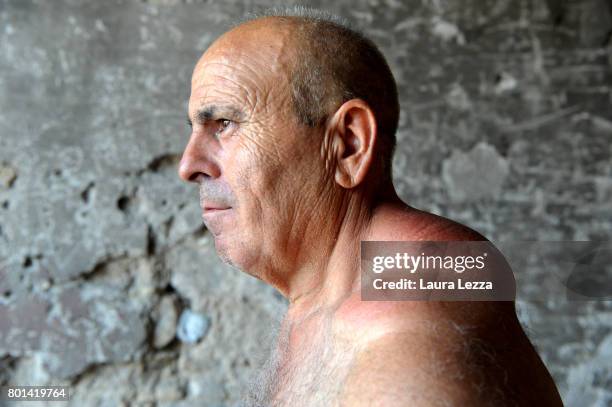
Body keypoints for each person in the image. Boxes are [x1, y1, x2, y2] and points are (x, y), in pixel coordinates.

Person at [178, 7, 563, 406]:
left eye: (223, 123)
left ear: (348, 144)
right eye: (194, 129)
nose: (188, 166)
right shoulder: (338, 293)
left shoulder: (413, 310)